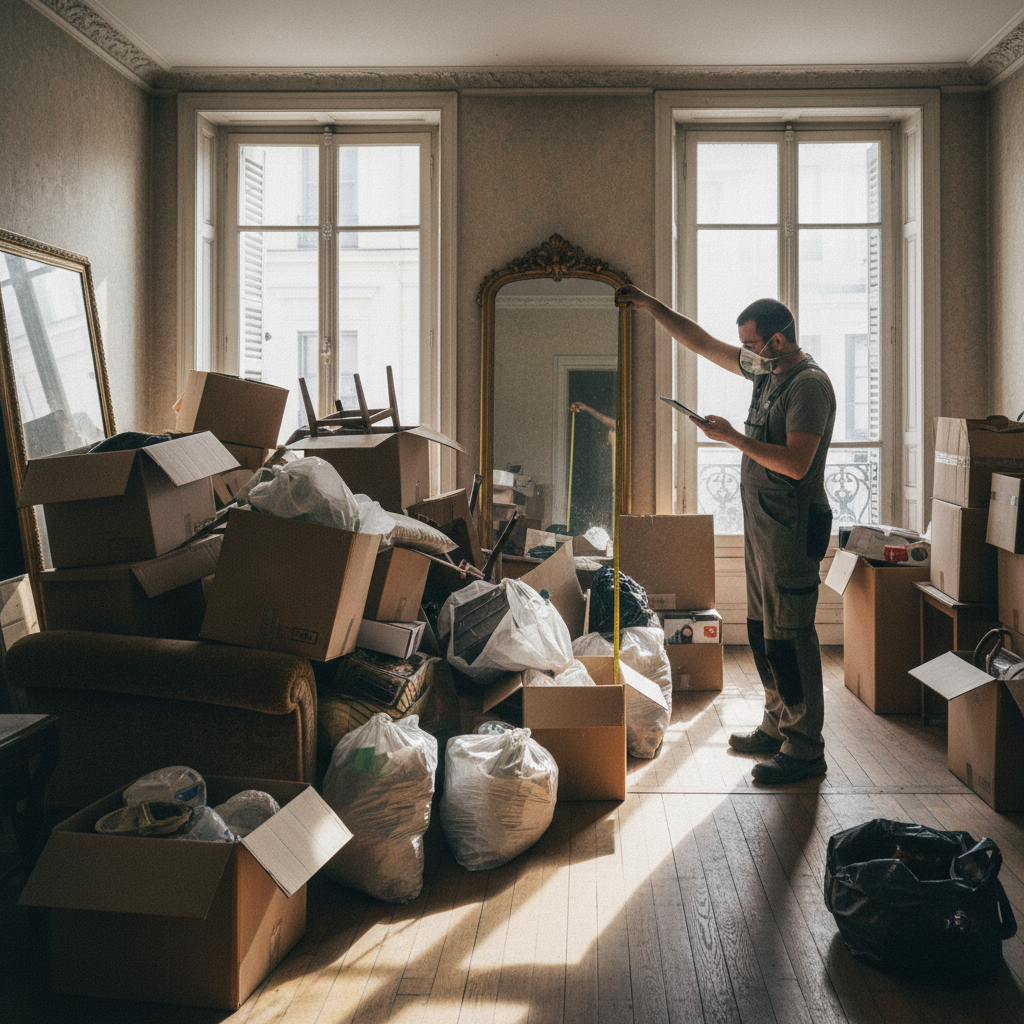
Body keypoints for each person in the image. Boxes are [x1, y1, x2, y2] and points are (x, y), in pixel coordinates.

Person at [615, 285, 836, 785]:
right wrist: (653, 306)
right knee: (763, 631)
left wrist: (733, 436)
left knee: (791, 637)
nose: (746, 355)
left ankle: (805, 749)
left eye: (753, 345)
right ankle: (777, 725)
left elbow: (798, 464)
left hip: (793, 527)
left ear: (778, 341)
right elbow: (703, 344)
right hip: (763, 523)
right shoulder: (769, 369)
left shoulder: (808, 386)